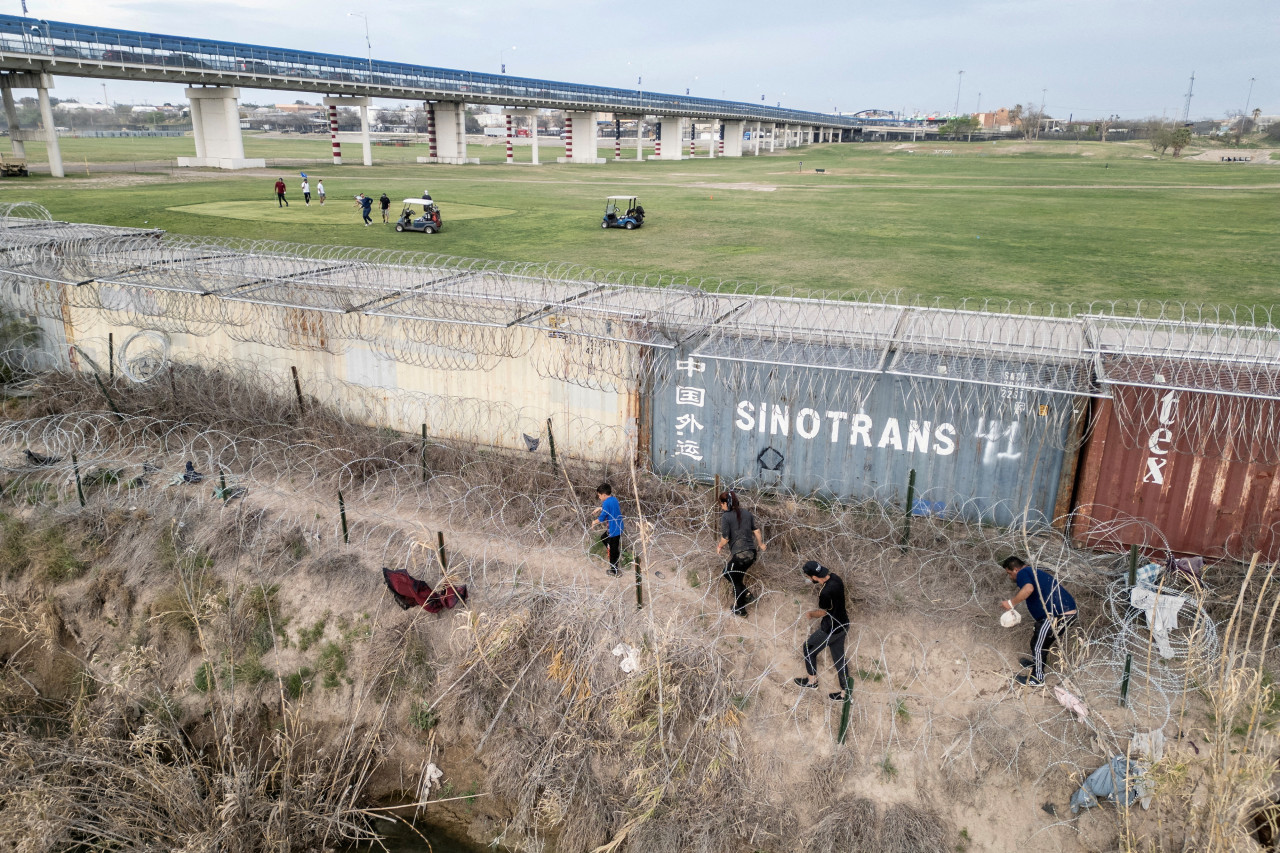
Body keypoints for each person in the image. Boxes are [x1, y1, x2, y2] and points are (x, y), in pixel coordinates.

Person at [999, 556, 1079, 687]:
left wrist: (1011, 603)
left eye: (1009, 573)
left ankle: (1037, 679)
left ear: (1015, 570)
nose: (1010, 577)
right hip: (1060, 614)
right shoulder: (1033, 572)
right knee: (1038, 641)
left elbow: (1028, 589)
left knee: (1039, 645)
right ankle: (1037, 665)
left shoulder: (1024, 572)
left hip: (1057, 615)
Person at [794, 561, 850, 701]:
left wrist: (811, 614)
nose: (808, 579)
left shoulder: (825, 592)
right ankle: (845, 693)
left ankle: (812, 682)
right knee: (839, 659)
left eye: (808, 576)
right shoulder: (835, 578)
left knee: (808, 648)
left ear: (814, 576)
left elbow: (823, 612)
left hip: (830, 629)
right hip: (843, 625)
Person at [716, 490, 765, 616]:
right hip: (751, 554)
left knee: (729, 575)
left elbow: (725, 538)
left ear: (726, 503)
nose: (721, 507)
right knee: (735, 577)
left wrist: (719, 546)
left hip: (740, 556)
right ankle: (747, 594)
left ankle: (742, 610)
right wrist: (760, 544)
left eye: (721, 504)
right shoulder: (747, 513)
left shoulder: (726, 517)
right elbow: (757, 531)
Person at [590, 483, 623, 576]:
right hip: (618, 526)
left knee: (612, 552)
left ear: (604, 495)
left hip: (613, 529)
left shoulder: (606, 503)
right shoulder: (613, 499)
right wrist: (600, 508)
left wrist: (594, 522)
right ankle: (613, 549)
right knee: (604, 538)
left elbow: (602, 518)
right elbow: (610, 509)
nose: (599, 497)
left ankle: (615, 572)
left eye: (599, 496)